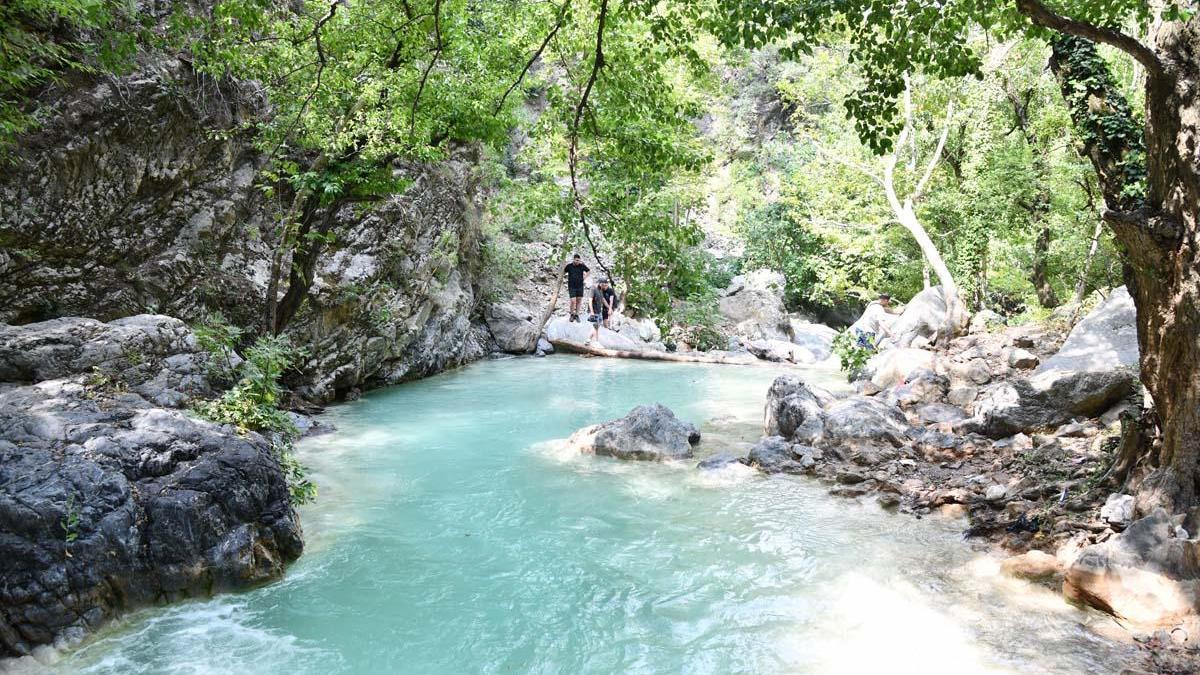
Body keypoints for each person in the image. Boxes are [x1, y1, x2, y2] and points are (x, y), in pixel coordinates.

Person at [564, 254, 590, 322]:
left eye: (578, 260)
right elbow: (563, 271)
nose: (577, 261)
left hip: (580, 286)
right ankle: (572, 314)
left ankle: (577, 315)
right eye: (576, 260)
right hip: (571, 286)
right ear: (573, 259)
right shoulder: (569, 266)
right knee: (573, 301)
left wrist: (584, 277)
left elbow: (588, 271)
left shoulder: (582, 265)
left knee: (579, 300)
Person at [588, 279, 613, 343]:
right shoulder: (593, 289)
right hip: (594, 312)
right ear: (600, 283)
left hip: (599, 312)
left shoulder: (600, 290)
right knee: (596, 327)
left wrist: (609, 308)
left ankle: (590, 340)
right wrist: (592, 312)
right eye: (603, 285)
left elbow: (603, 300)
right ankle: (594, 341)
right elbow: (590, 301)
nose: (604, 287)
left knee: (597, 327)